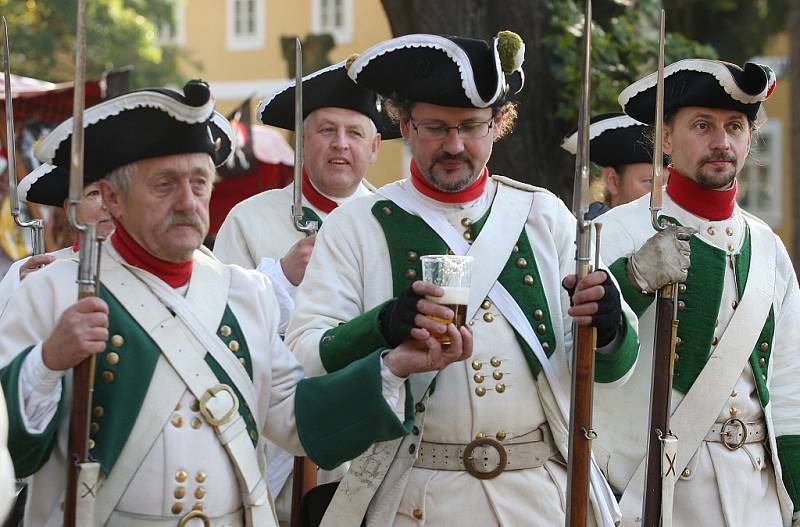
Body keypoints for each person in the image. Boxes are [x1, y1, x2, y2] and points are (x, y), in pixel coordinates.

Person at [0, 80, 472, 527]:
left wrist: (391, 367)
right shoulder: (51, 293)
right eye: (164, 185)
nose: (188, 202)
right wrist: (46, 363)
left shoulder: (246, 294)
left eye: (200, 183)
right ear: (111, 199)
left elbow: (296, 418)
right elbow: (9, 459)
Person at [285, 32, 640, 526]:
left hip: (538, 498)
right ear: (404, 123)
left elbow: (603, 365)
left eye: (471, 126)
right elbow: (306, 352)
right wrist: (383, 326)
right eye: (435, 127)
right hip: (415, 496)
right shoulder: (357, 225)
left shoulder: (543, 215)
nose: (454, 145)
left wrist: (610, 324)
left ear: (497, 124)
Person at [592, 59, 799, 527]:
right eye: (702, 126)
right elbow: (580, 366)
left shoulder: (766, 247)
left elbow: (789, 381)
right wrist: (630, 283)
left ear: (749, 138)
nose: (722, 142)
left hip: (756, 490)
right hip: (653, 491)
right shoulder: (614, 233)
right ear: (666, 139)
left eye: (735, 127)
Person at [214, 60, 400, 331]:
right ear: (301, 142)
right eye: (327, 130)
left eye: (354, 133)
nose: (340, 143)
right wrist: (282, 276)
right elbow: (220, 324)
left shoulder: (397, 219)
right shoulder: (246, 220)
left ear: (374, 148)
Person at [0, 164, 115, 316]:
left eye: (115, 194)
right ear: (69, 208)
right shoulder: (22, 273)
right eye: (94, 193)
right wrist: (22, 295)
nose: (107, 205)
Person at [561, 113, 659, 217]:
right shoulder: (592, 229)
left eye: (669, 184)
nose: (663, 193)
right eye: (650, 181)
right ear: (612, 181)